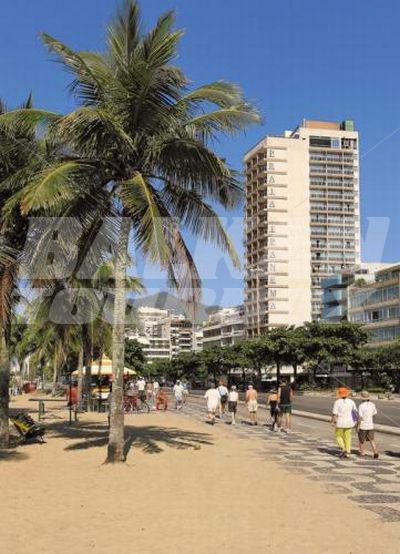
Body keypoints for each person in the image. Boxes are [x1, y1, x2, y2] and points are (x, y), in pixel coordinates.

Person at [331, 387, 358, 459]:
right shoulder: (351, 401)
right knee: (348, 437)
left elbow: (334, 413)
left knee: (338, 436)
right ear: (347, 394)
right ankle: (348, 451)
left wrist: (333, 421)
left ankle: (343, 449)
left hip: (340, 422)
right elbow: (355, 412)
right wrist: (356, 421)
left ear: (339, 394)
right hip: (350, 422)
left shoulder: (337, 402)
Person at [357, 390, 379, 459]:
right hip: (370, 425)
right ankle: (375, 452)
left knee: (361, 440)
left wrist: (357, 426)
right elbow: (374, 413)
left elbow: (360, 417)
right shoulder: (372, 404)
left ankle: (362, 452)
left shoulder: (361, 406)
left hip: (363, 425)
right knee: (372, 439)